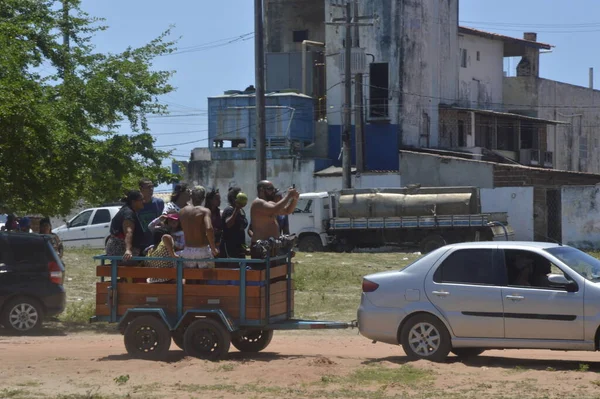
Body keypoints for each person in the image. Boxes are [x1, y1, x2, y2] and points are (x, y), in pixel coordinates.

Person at [250, 181, 299, 263]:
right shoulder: (257, 203)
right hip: (261, 247)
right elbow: (275, 209)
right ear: (261, 190)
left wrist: (294, 199)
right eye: (270, 189)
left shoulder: (270, 203)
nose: (273, 192)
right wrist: (288, 195)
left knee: (276, 274)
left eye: (273, 189)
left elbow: (287, 210)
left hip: (273, 245)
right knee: (263, 275)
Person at [178, 186, 219, 270]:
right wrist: (213, 248)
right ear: (203, 198)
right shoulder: (205, 211)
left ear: (191, 197)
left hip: (188, 250)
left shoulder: (182, 211)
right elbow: (209, 228)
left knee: (189, 279)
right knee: (204, 279)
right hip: (202, 249)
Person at [105, 190, 145, 264]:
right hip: (120, 250)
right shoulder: (128, 213)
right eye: (141, 200)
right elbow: (128, 232)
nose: (144, 201)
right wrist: (128, 250)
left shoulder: (129, 211)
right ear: (133, 202)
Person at [219, 187, 249, 266]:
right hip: (230, 248)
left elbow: (241, 231)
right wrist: (236, 209)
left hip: (239, 248)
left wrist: (245, 247)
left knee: (241, 272)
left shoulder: (241, 211)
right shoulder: (229, 210)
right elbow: (228, 224)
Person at [137, 179, 165, 249]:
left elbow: (162, 221)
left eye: (152, 186)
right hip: (141, 242)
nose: (151, 189)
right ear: (141, 189)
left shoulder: (159, 202)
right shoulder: (136, 204)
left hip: (156, 241)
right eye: (148, 187)